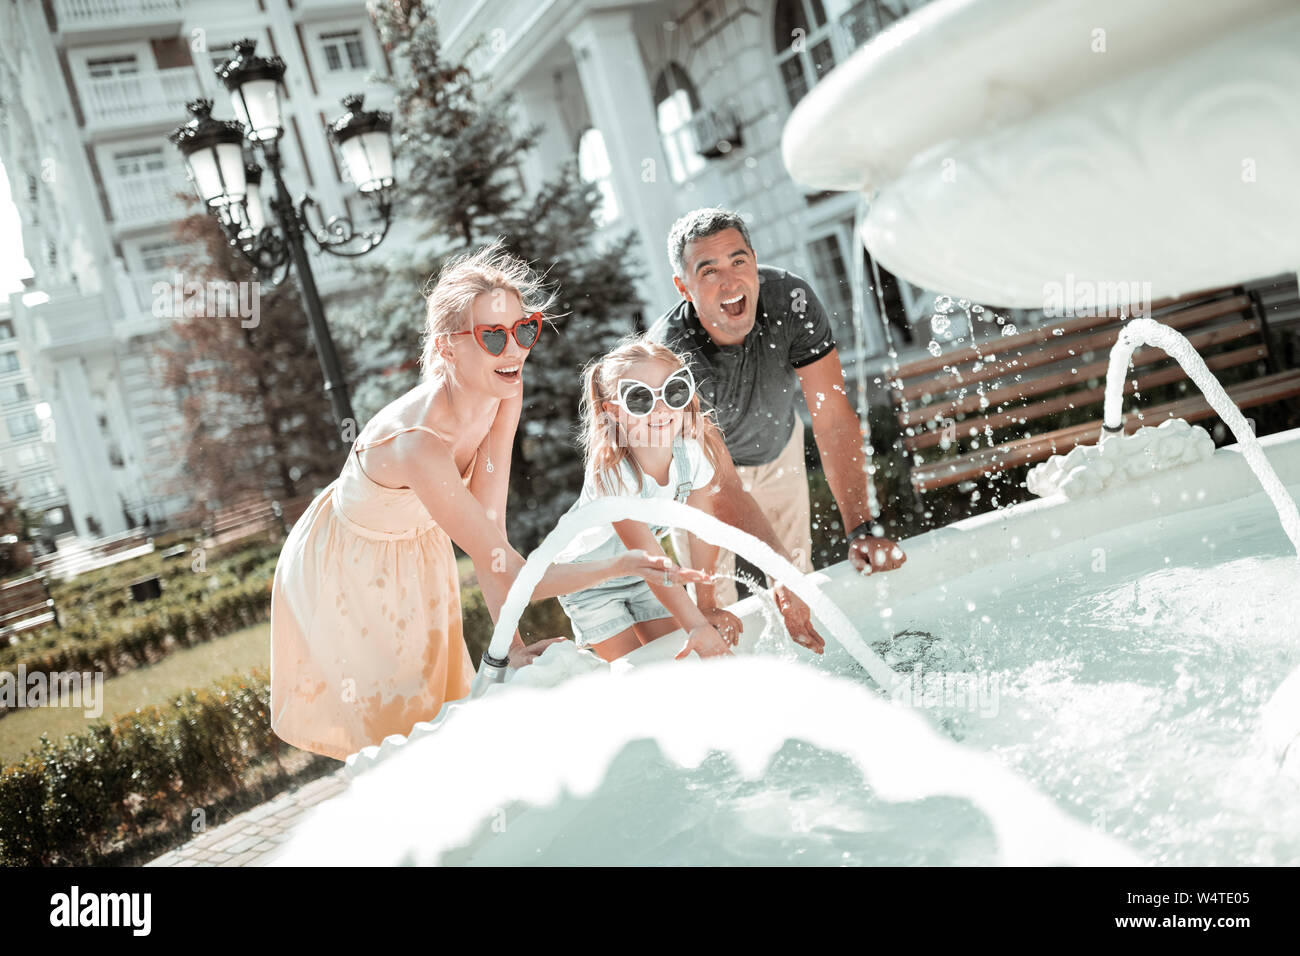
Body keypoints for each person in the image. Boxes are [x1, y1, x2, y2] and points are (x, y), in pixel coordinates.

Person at [270, 243, 707, 760]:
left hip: (415, 553)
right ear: (447, 347)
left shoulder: (504, 392)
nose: (514, 351)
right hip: (348, 567)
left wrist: (515, 648)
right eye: (492, 335)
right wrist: (623, 563)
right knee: (389, 735)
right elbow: (516, 568)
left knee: (435, 712)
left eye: (524, 329)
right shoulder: (418, 444)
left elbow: (491, 544)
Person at [649, 207, 907, 609]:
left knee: (798, 583)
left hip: (777, 447)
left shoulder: (791, 301)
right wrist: (776, 568)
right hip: (698, 479)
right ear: (684, 288)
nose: (730, 281)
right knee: (713, 605)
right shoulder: (671, 357)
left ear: (753, 261)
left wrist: (861, 529)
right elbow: (719, 483)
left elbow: (834, 419)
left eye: (738, 261)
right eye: (709, 271)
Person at [554, 337, 826, 660]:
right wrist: (695, 624)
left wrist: (707, 603)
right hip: (590, 582)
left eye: (673, 391)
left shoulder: (689, 451)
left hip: (645, 577)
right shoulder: (612, 473)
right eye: (639, 398)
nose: (661, 408)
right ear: (612, 411)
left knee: (678, 663)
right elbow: (646, 558)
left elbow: (702, 530)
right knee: (639, 674)